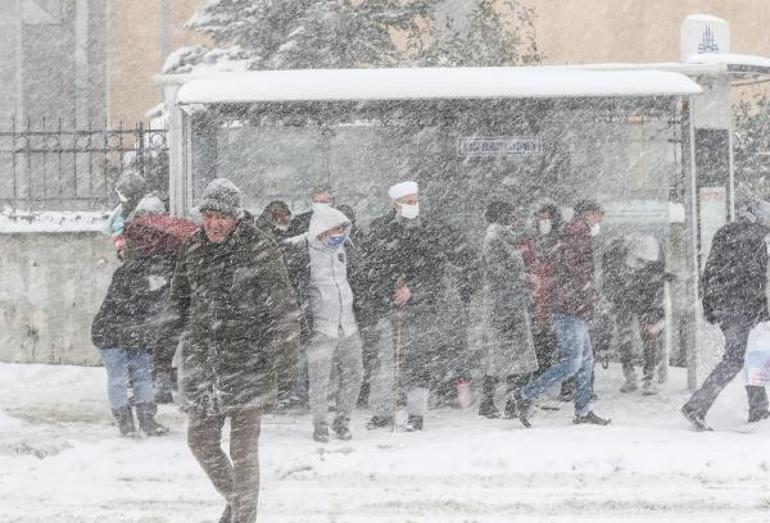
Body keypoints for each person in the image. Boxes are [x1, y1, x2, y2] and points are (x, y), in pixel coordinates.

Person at [155, 178, 300, 523]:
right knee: (200, 441)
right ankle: (238, 502)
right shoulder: (192, 248)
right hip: (205, 363)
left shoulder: (259, 248)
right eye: (208, 216)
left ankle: (242, 517)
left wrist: (286, 364)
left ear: (236, 216)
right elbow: (178, 303)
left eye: (221, 216)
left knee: (243, 450)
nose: (213, 224)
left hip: (251, 361)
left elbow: (282, 308)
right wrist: (162, 352)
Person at [364, 181, 477, 431]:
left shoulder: (429, 230)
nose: (412, 205)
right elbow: (372, 268)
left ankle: (416, 415)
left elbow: (436, 272)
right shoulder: (380, 229)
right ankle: (382, 412)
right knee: (385, 364)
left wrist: (413, 290)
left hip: (422, 309)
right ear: (395, 204)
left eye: (415, 201)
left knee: (418, 363)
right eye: (407, 201)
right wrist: (389, 288)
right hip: (388, 308)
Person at [516, 200, 611, 427]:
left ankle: (583, 409)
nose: (600, 221)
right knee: (572, 362)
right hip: (569, 307)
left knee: (586, 361)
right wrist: (584, 292)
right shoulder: (577, 233)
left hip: (573, 305)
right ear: (588, 215)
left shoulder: (575, 232)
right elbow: (573, 270)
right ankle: (525, 395)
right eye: (598, 216)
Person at [681, 200, 770, 431]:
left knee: (753, 357)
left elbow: (709, 270)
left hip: (726, 306)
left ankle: (759, 411)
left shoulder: (724, 233)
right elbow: (757, 278)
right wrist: (762, 309)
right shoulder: (759, 237)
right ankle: (696, 407)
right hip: (746, 308)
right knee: (738, 358)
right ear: (759, 217)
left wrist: (709, 305)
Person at [285, 205, 364, 442]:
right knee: (320, 380)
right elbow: (293, 287)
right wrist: (303, 316)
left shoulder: (346, 249)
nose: (339, 233)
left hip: (348, 325)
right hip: (320, 327)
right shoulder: (302, 252)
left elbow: (359, 279)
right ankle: (320, 425)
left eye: (342, 228)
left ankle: (342, 421)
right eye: (335, 229)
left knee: (355, 374)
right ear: (322, 229)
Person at [91, 232, 172, 437]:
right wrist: (160, 293)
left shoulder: (145, 274)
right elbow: (134, 304)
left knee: (142, 375)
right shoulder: (128, 273)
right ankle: (126, 424)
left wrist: (164, 290)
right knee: (119, 377)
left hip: (135, 334)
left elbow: (147, 303)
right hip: (111, 334)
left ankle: (147, 420)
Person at [478, 201, 539, 419]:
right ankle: (509, 405)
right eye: (509, 214)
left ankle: (493, 404)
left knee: (503, 355)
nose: (513, 217)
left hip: (507, 303)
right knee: (513, 356)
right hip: (503, 305)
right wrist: (525, 278)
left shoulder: (504, 238)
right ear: (500, 216)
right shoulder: (495, 239)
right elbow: (499, 273)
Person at [603, 234, 667, 395]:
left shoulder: (655, 260)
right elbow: (609, 284)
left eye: (646, 263)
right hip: (623, 300)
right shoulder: (615, 257)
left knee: (649, 337)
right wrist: (615, 300)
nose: (642, 265)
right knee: (624, 337)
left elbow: (656, 289)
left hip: (645, 301)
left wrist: (656, 319)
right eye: (640, 261)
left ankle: (649, 378)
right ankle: (630, 376)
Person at [520, 203, 564, 382]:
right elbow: (524, 262)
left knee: (556, 337)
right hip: (537, 295)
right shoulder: (529, 239)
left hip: (555, 295)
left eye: (547, 217)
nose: (544, 221)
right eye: (540, 217)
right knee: (540, 337)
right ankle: (541, 373)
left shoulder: (560, 238)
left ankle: (556, 376)